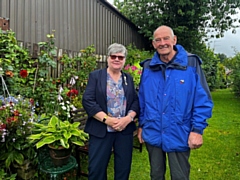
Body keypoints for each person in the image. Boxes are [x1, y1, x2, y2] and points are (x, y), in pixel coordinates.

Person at [137, 25, 213, 180]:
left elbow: (202, 100)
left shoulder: (191, 64)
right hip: (153, 131)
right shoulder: (148, 67)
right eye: (158, 40)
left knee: (180, 176)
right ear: (153, 44)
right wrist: (141, 125)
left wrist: (197, 130)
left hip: (179, 132)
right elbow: (143, 100)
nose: (162, 43)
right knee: (156, 175)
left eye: (166, 38)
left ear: (174, 40)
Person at [82, 43, 139, 180]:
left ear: (124, 60)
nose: (117, 59)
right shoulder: (96, 76)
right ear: (108, 58)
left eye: (120, 57)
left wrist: (128, 118)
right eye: (113, 56)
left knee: (123, 168)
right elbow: (88, 101)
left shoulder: (128, 79)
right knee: (96, 169)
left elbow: (136, 102)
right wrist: (107, 120)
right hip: (101, 130)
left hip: (124, 131)